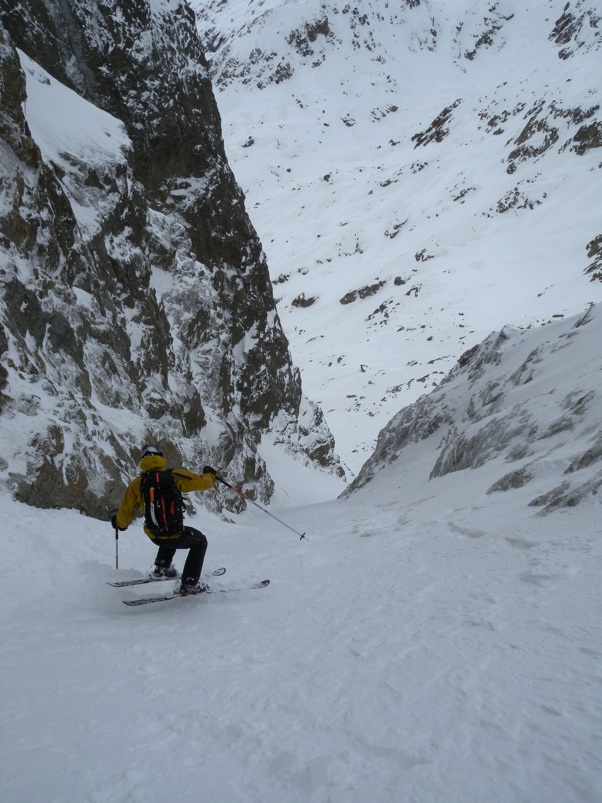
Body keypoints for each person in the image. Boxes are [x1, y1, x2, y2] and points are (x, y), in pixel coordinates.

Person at [111, 443, 218, 594]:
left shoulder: (138, 483)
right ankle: (189, 584)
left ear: (143, 460)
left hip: (154, 535)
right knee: (200, 542)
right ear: (161, 457)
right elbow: (204, 482)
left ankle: (162, 568)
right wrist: (210, 474)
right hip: (174, 534)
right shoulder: (174, 476)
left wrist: (119, 524)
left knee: (166, 531)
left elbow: (125, 511)